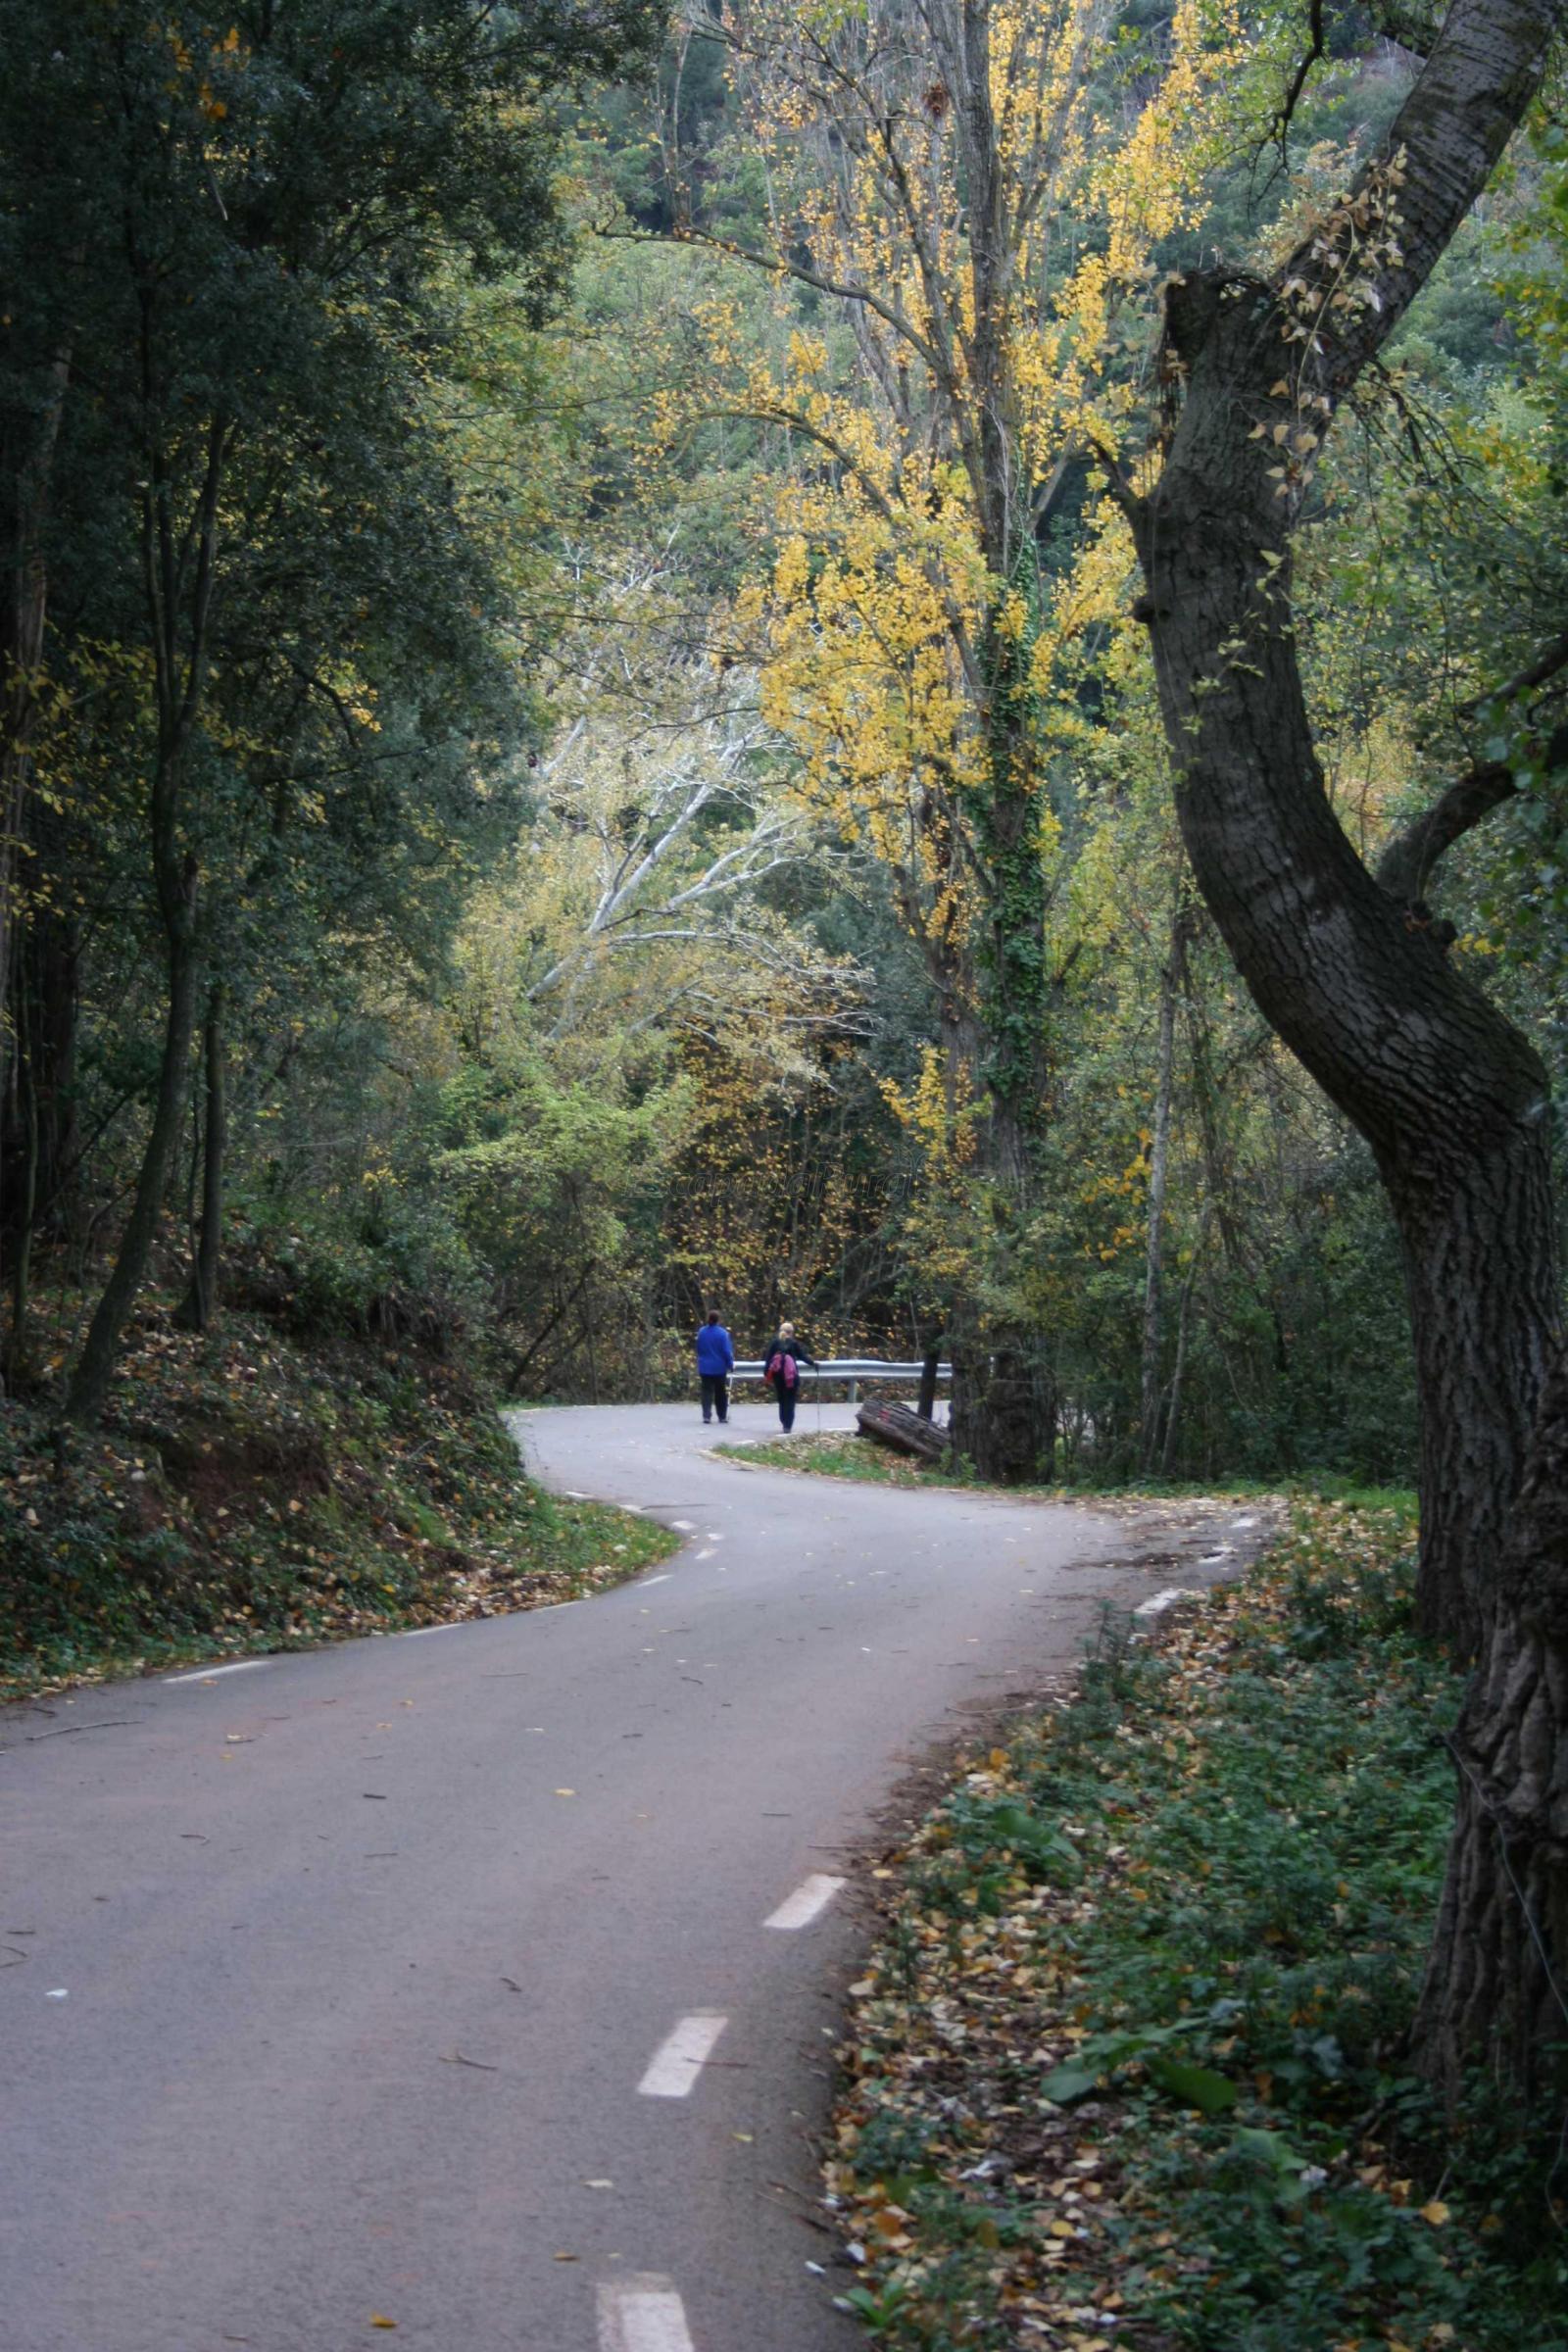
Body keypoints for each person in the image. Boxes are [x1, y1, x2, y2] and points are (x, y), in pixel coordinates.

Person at [760, 1319, 817, 1433]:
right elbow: (802, 1356)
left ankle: (783, 1421)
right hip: (791, 1377)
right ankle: (788, 1426)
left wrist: (766, 1373)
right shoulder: (793, 1343)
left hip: (778, 1376)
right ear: (791, 1332)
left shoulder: (774, 1343)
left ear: (780, 1331)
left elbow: (768, 1359)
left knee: (782, 1399)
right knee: (790, 1400)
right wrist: (813, 1363)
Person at [695, 1309, 735, 1425]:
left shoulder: (701, 1332)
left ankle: (706, 1415)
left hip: (705, 1367)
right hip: (719, 1368)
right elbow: (726, 1351)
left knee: (706, 1392)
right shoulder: (723, 1334)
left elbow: (698, 1348)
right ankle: (722, 1416)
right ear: (718, 1320)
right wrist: (730, 1364)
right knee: (720, 1392)